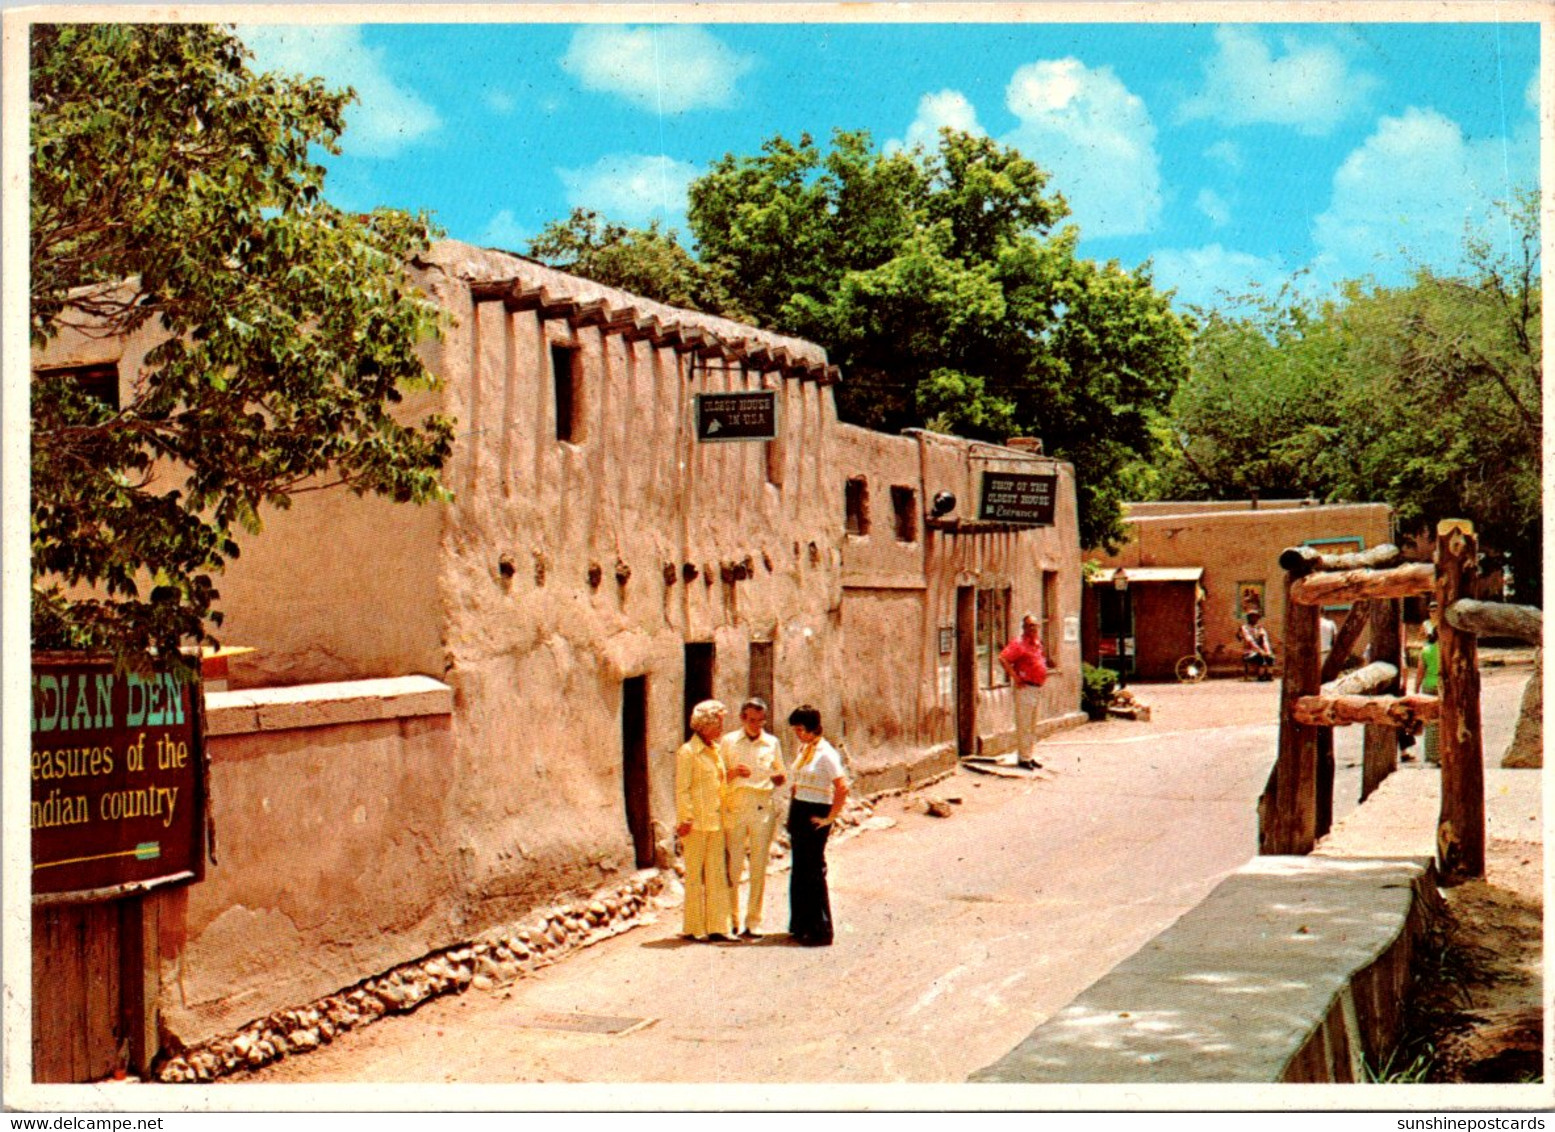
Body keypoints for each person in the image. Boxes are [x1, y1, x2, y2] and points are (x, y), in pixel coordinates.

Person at [720, 697, 787, 938]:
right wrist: (733, 772)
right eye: (752, 720)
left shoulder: (772, 743)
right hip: (736, 806)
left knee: (759, 865)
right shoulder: (728, 742)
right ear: (742, 719)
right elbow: (717, 776)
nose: (757, 726)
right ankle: (732, 919)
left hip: (761, 806)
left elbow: (781, 771)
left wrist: (779, 777)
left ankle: (754, 920)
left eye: (761, 721)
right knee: (733, 866)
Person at [786, 704, 848, 947]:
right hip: (800, 808)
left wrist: (830, 818)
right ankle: (801, 924)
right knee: (799, 868)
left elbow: (842, 787)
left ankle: (820, 929)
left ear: (811, 728)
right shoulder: (805, 750)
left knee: (813, 869)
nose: (797, 734)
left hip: (816, 811)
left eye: (800, 729)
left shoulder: (826, 753)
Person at [675, 699, 733, 942]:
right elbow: (682, 789)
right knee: (695, 876)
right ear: (706, 724)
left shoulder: (716, 751)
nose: (721, 728)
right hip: (695, 823)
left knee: (717, 874)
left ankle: (718, 926)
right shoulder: (688, 752)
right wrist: (685, 818)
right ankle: (694, 928)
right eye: (718, 723)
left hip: (716, 820)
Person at [998, 613, 1049, 769]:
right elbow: (1003, 658)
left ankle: (1029, 755)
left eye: (1035, 625)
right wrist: (1015, 677)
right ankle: (1023, 758)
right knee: (1025, 723)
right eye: (1029, 626)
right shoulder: (1019, 643)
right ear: (1024, 627)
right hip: (1025, 686)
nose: (1033, 628)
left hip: (1036, 687)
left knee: (1033, 724)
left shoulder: (1037, 643)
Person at [1415, 626, 1441, 765]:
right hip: (1443, 686)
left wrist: (1416, 689)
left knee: (1430, 722)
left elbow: (1420, 672)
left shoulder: (1426, 650)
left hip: (1429, 685)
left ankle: (1432, 755)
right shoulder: (1447, 650)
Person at [1239, 610, 1275, 679]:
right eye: (1252, 617)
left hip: (1261, 650)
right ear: (1249, 618)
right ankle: (1260, 675)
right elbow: (1249, 640)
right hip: (1249, 651)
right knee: (1260, 657)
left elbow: (1265, 640)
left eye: (1256, 617)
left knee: (1270, 657)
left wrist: (1267, 651)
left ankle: (1269, 674)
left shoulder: (1260, 628)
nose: (1254, 619)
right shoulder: (1244, 628)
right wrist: (1259, 651)